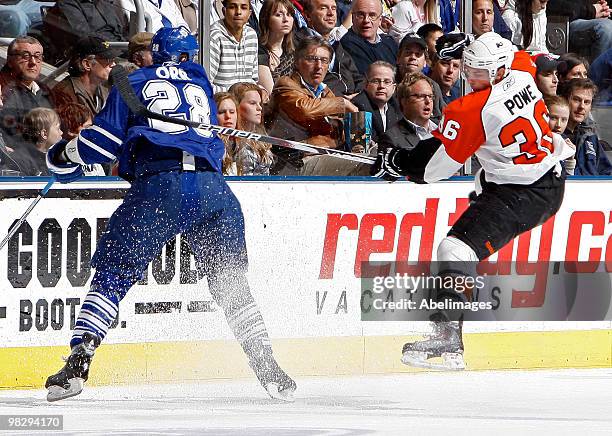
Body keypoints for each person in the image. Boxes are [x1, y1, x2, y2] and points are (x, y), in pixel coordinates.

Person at [44, 26, 296, 402]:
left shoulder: (133, 83)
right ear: (187, 56)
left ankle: (78, 363)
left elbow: (103, 143)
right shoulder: (202, 86)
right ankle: (269, 367)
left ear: (154, 55)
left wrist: (62, 156)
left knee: (113, 275)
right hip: (215, 192)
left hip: (162, 187)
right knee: (230, 285)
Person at [371, 32, 574, 370]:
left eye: (479, 72)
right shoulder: (520, 70)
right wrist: (468, 41)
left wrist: (399, 162)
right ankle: (449, 338)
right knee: (485, 179)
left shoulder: (473, 109)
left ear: (497, 72)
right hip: (544, 174)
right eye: (469, 68)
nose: (470, 77)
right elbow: (528, 55)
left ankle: (448, 340)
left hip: (523, 192)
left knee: (455, 251)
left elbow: (434, 169)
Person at [268, 36, 358, 174]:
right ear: (297, 62)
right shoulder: (285, 84)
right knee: (359, 164)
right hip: (294, 162)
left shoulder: (325, 92)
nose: (319, 67)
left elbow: (340, 129)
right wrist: (342, 103)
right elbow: (304, 109)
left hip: (325, 154)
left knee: (378, 157)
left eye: (324, 60)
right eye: (311, 59)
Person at [299, 0, 365, 97]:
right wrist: (340, 101)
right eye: (323, 8)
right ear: (308, 16)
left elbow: (358, 79)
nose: (331, 13)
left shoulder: (335, 43)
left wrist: (357, 95)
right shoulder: (298, 44)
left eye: (334, 8)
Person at [0, 36, 53, 142]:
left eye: (38, 57)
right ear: (10, 61)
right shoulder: (2, 88)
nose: (33, 62)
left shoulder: (45, 90)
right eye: (25, 56)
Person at [51, 36, 119, 116]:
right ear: (87, 64)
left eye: (114, 60)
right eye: (107, 60)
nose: (113, 64)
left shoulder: (106, 89)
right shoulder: (64, 94)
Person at [560, 78, 612, 175]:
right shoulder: (553, 137)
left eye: (587, 102)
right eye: (576, 100)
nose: (582, 106)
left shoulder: (591, 137)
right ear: (565, 100)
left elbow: (607, 172)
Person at [378, 72, 437, 151]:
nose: (428, 101)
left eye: (430, 96)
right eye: (421, 96)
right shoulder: (391, 138)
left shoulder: (444, 128)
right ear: (404, 101)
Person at [209, 0, 259, 92]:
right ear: (224, 11)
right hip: (221, 101)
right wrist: (234, 95)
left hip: (246, 99)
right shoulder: (215, 36)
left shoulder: (251, 35)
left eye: (243, 8)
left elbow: (254, 79)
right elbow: (206, 84)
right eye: (232, 7)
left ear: (249, 13)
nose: (238, 12)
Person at [340, 0, 399, 75]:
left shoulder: (389, 42)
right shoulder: (348, 44)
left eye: (372, 15)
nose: (366, 20)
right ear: (353, 18)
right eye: (361, 15)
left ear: (380, 20)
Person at [229, 82, 274, 175]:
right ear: (236, 106)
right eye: (252, 103)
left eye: (260, 103)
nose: (259, 108)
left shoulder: (262, 139)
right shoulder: (231, 141)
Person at [351, 61, 402, 144]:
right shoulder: (357, 106)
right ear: (365, 85)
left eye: (387, 82)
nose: (381, 86)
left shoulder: (397, 108)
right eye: (376, 81)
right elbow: (359, 147)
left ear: (393, 88)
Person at [7, 108, 63, 176]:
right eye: (58, 128)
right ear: (44, 134)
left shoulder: (58, 157)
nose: (61, 132)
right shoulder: (19, 161)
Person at [257, 0, 296, 95]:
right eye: (279, 15)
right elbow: (271, 92)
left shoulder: (294, 49)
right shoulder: (259, 51)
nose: (286, 19)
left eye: (289, 14)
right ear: (266, 19)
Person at [544, 95, 576, 175]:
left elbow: (568, 182)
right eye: (553, 118)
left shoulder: (566, 144)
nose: (558, 125)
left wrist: (570, 160)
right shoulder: (533, 142)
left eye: (564, 120)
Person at [214, 91, 240, 175]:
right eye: (221, 112)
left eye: (232, 112)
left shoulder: (239, 143)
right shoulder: (210, 146)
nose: (228, 116)